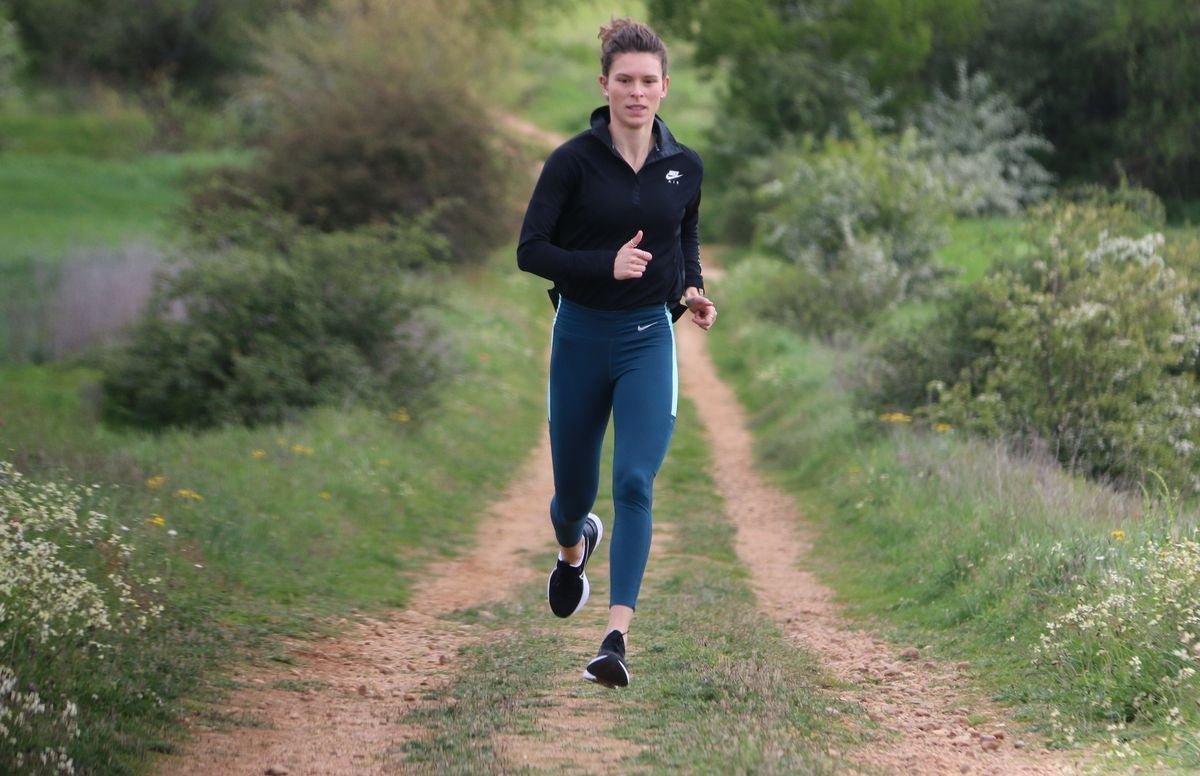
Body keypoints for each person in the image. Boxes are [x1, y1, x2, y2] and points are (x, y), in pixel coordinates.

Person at [516, 17, 716, 689]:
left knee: (634, 481)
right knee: (571, 495)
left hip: (645, 341)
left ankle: (616, 638)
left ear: (665, 87)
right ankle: (574, 549)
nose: (637, 92)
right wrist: (605, 263)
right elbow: (530, 251)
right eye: (624, 80)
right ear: (604, 85)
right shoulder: (572, 162)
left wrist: (692, 289)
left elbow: (684, 234)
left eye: (648, 81)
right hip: (578, 335)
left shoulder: (684, 167)